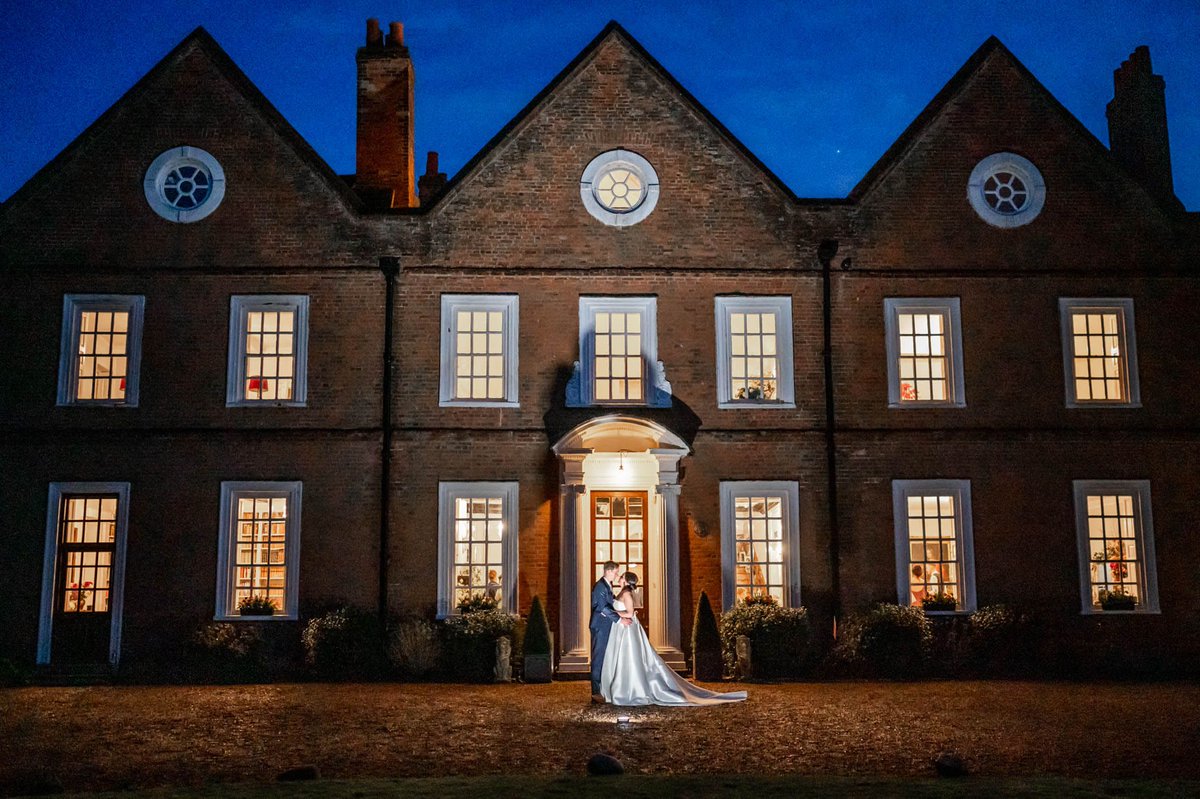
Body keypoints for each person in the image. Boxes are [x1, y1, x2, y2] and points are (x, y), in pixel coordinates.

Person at [600, 571, 747, 706]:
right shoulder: (623, 592)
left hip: (628, 629)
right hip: (622, 629)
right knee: (624, 658)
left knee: (630, 658)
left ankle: (630, 690)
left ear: (625, 580)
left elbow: (630, 613)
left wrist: (613, 614)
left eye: (621, 576)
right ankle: (624, 687)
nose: (619, 578)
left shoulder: (627, 594)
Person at [589, 560, 629, 704]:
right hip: (600, 627)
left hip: (604, 626)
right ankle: (595, 692)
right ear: (609, 571)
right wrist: (620, 620)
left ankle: (601, 689)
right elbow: (603, 608)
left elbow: (610, 606)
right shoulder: (600, 587)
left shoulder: (606, 586)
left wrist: (625, 613)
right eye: (616, 572)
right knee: (598, 658)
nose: (617, 575)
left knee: (603, 657)